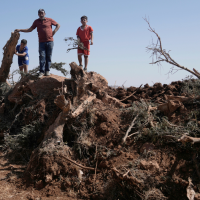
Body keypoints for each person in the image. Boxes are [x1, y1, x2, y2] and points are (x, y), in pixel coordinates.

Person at [15, 9, 60, 78]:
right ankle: (41, 71)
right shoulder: (36, 21)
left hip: (50, 41)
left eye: (42, 13)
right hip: (41, 42)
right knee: (42, 56)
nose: (41, 14)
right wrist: (20, 30)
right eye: (39, 13)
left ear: (44, 13)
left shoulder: (50, 20)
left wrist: (54, 32)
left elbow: (58, 25)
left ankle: (47, 71)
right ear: (38, 14)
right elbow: (29, 30)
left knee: (49, 56)